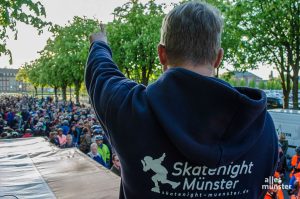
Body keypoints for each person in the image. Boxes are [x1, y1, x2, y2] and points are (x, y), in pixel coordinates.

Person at [85, 1, 278, 198]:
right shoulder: (262, 127)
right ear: (218, 58)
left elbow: (101, 74)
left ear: (162, 54)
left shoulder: (130, 111)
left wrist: (99, 44)